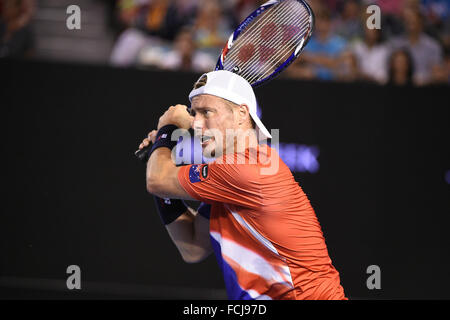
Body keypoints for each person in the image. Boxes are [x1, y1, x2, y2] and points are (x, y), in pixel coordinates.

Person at [137, 70, 347, 300]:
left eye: (206, 112)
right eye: (194, 113)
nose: (196, 124)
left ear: (241, 113)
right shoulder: (228, 180)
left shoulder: (245, 169)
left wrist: (167, 130)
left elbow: (157, 179)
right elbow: (193, 246)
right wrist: (158, 156)